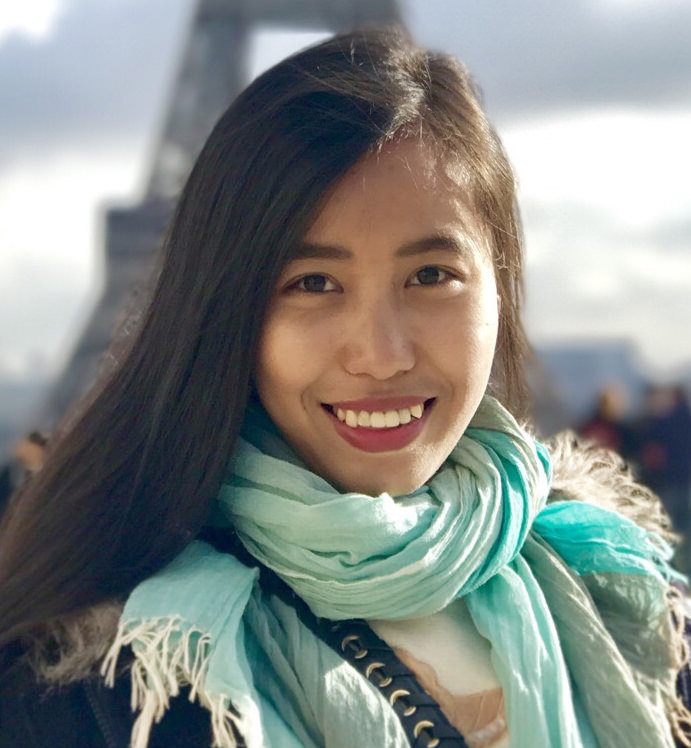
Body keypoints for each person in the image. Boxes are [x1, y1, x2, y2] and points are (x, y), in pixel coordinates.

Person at [0, 27, 688, 748]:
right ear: (223, 307)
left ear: (501, 288)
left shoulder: (634, 608)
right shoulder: (79, 689)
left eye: (430, 276)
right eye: (313, 283)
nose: (381, 355)